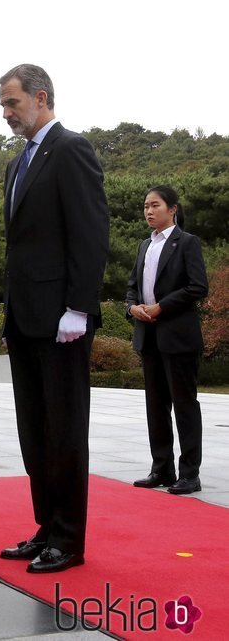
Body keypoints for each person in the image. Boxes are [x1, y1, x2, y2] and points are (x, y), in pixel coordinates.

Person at [0, 64, 109, 574]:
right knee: (34, 429)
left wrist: (79, 307)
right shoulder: (17, 163)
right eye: (3, 103)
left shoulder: (71, 150)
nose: (6, 112)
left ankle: (69, 538)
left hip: (62, 319)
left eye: (12, 102)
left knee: (64, 429)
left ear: (41, 98)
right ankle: (46, 527)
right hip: (24, 316)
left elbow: (90, 233)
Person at [125, 185, 208, 495]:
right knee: (155, 406)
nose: (149, 211)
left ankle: (190, 474)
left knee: (184, 405)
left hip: (178, 337)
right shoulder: (144, 246)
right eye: (146, 205)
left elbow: (198, 287)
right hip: (148, 337)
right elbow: (132, 287)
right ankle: (161, 468)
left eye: (155, 205)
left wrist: (162, 306)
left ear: (172, 209)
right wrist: (132, 306)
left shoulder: (187, 243)